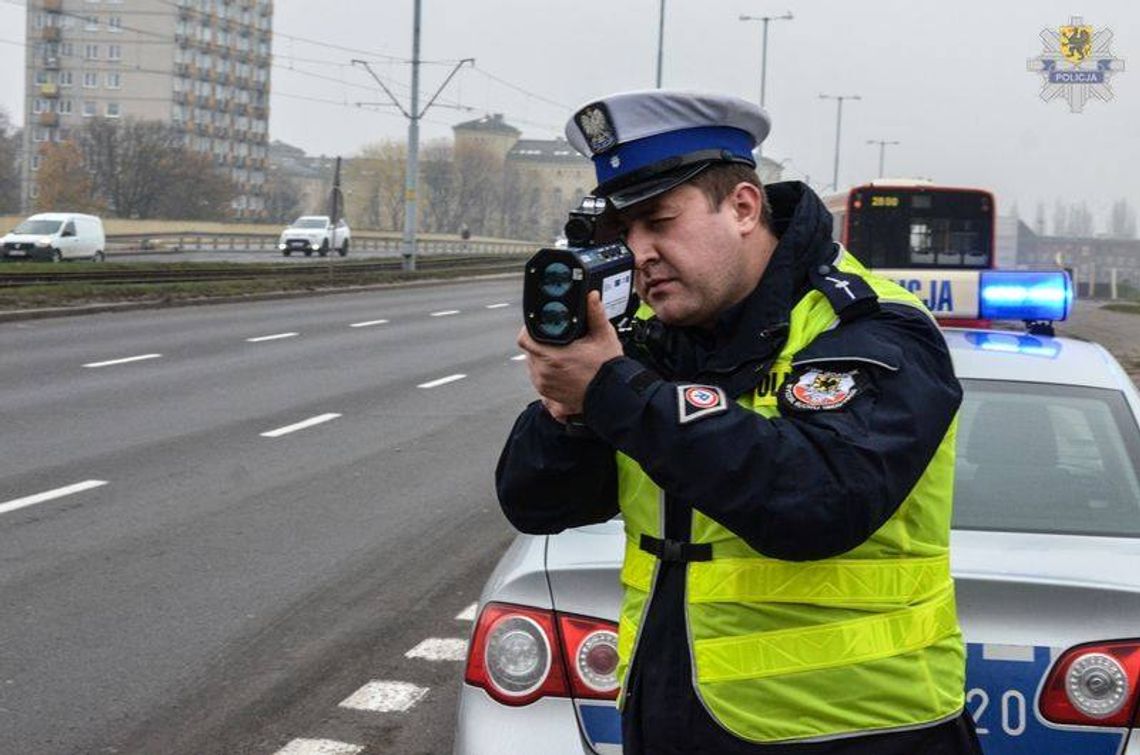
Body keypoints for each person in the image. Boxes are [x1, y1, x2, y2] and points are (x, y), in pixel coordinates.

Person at [496, 90, 983, 755]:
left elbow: (814, 499)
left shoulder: (870, 331)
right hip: (673, 727)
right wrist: (570, 407)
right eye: (625, 232)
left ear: (744, 207)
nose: (640, 253)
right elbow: (535, 500)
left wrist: (618, 390)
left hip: (860, 735)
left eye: (659, 222)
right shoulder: (657, 340)